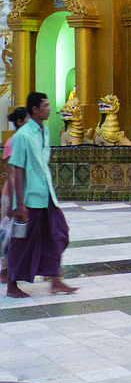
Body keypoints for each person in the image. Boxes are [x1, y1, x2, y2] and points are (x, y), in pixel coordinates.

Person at [6, 93, 75, 299]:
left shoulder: (45, 130)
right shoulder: (22, 136)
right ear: (34, 109)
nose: (48, 109)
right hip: (29, 199)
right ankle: (11, 283)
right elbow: (17, 169)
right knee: (22, 242)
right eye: (45, 106)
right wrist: (19, 204)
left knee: (59, 234)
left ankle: (54, 279)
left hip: (46, 196)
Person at [1, 106, 28, 285]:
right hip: (11, 196)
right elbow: (11, 176)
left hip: (22, 195)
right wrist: (13, 203)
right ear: (19, 122)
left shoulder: (24, 141)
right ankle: (5, 270)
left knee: (20, 233)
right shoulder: (13, 143)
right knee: (11, 233)